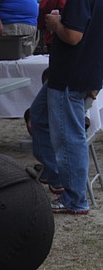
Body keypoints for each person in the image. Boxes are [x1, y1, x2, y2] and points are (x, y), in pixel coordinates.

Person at [30, 0, 103, 215]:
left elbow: (73, 36)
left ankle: (75, 198)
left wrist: (55, 24)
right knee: (39, 115)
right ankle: (58, 177)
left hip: (70, 76)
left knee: (69, 137)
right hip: (71, 73)